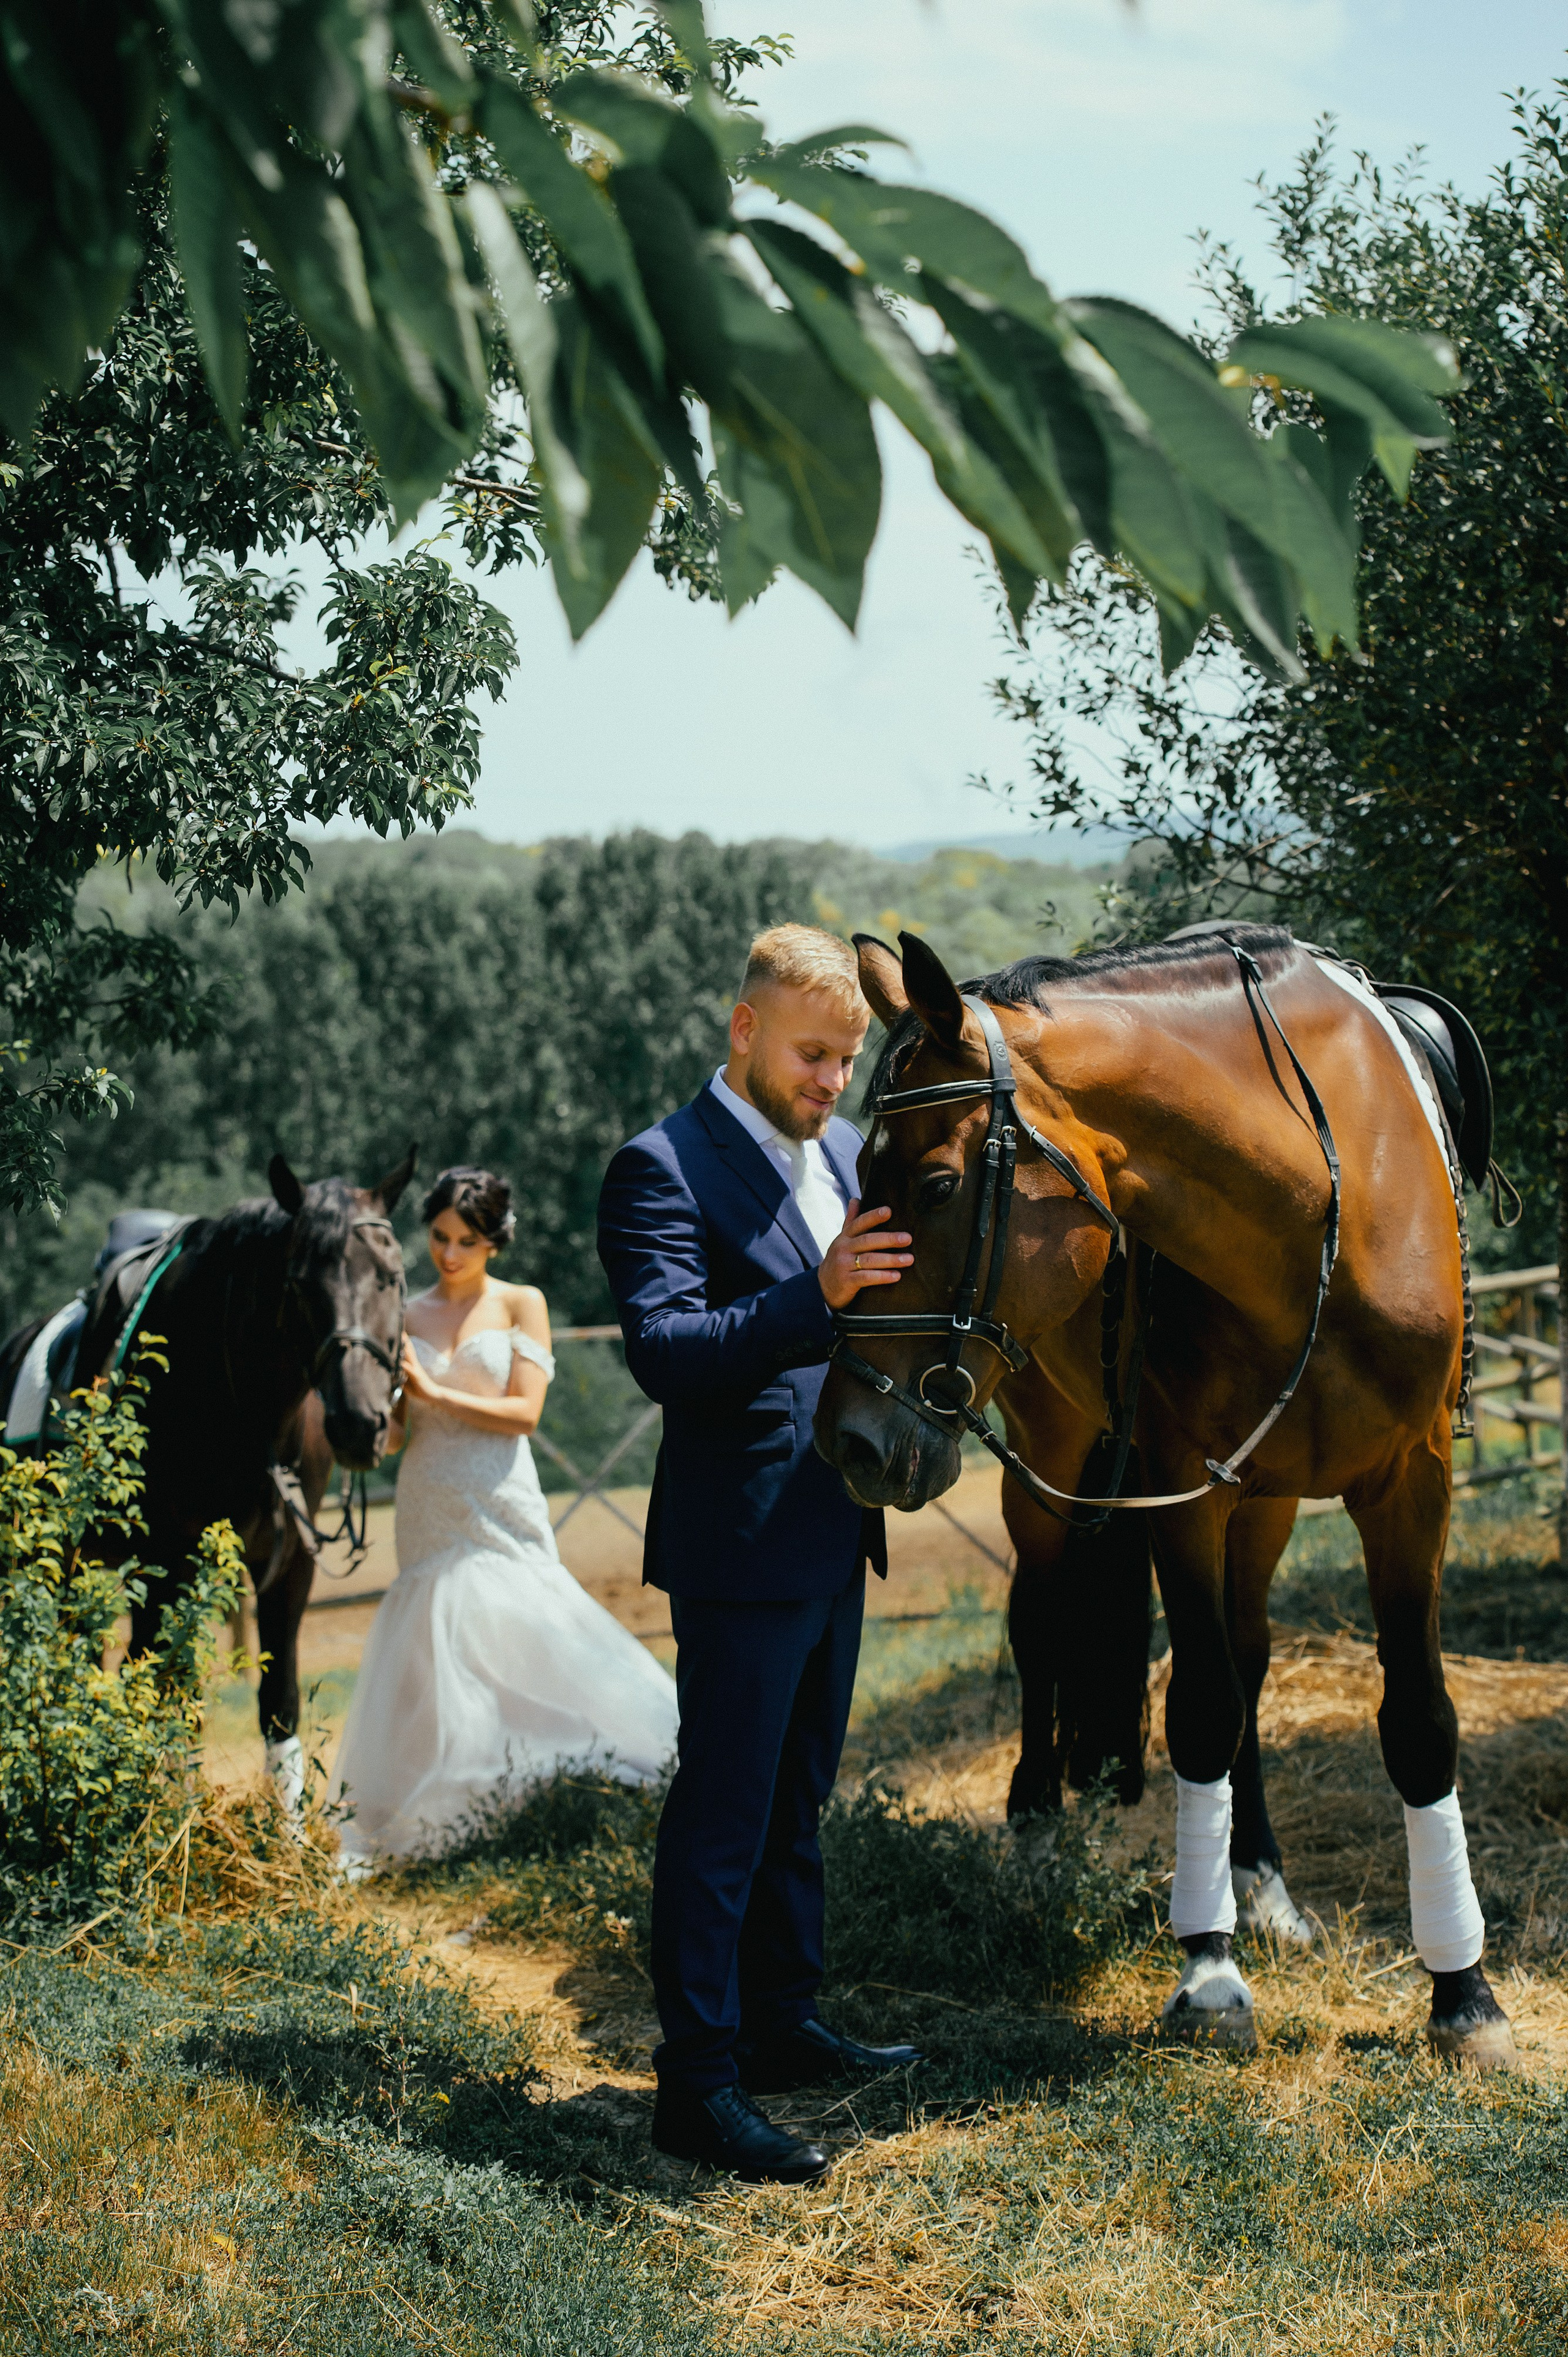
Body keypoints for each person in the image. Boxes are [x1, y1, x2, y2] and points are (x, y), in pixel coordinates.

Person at [597, 924, 923, 2187]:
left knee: (797, 1803)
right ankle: (697, 2085)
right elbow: (665, 1351)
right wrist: (816, 1296)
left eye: (845, 1060)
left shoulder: (845, 1151)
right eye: (811, 1055)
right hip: (736, 1542)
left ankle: (782, 2024)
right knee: (723, 1818)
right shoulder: (658, 1168)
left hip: (838, 1527)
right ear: (742, 1030)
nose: (831, 1083)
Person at [332, 1166, 678, 1870]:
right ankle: (444, 1818)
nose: (450, 1253)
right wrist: (368, 1416)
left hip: (499, 1491)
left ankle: (552, 1787)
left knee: (526, 1627)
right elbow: (398, 1432)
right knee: (435, 1654)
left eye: (467, 1239)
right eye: (438, 1236)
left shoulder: (523, 1302)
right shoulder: (404, 1311)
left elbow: (525, 1413)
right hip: (427, 1496)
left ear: (495, 1240)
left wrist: (432, 1388)